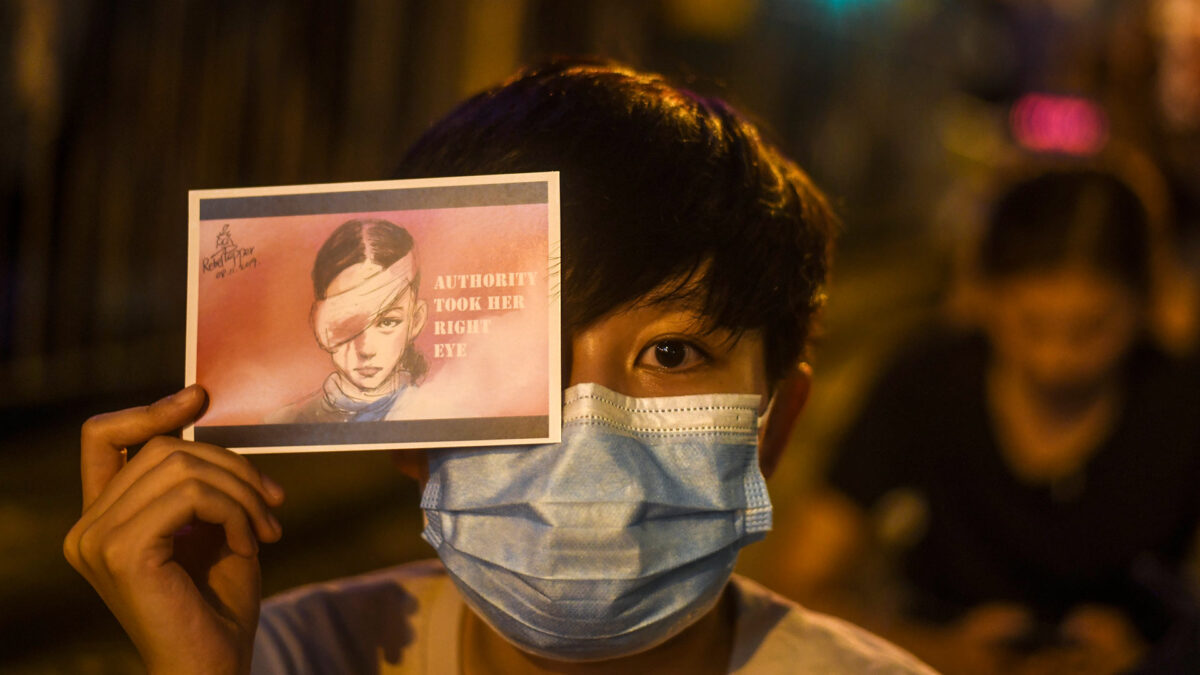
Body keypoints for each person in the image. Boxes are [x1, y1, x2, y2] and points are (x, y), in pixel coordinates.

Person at [63, 60, 934, 674]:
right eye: (515, 354)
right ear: (406, 430)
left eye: (671, 352)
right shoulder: (285, 658)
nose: (585, 429)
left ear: (773, 420)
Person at [787, 168, 1200, 674]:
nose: (1057, 361)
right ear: (987, 297)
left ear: (1143, 304)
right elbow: (800, 580)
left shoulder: (1179, 402)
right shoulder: (930, 382)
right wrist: (940, 652)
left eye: (1092, 330)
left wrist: (1152, 659)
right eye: (1033, 326)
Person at [268, 218, 428, 424]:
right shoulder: (286, 422)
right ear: (318, 324)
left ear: (416, 320)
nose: (366, 350)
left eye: (388, 322)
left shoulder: (443, 416)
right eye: (347, 323)